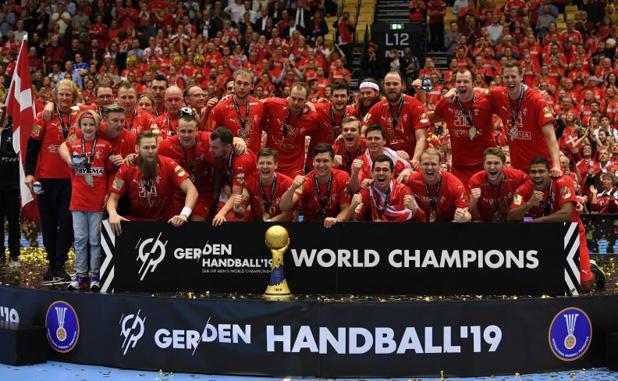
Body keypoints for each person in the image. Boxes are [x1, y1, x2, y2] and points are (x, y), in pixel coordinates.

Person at [508, 157, 593, 291]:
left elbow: (566, 214)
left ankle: (595, 271)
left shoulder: (563, 181)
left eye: (541, 171)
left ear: (549, 173)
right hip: (544, 236)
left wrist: (537, 222)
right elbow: (511, 216)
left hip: (571, 233)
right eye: (533, 172)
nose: (537, 175)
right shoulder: (523, 189)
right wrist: (529, 203)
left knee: (584, 286)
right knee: (543, 285)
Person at [25, 79, 81, 281]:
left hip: (71, 179)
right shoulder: (43, 117)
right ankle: (51, 264)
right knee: (48, 224)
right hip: (46, 180)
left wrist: (50, 102)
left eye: (68, 94)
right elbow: (32, 146)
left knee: (67, 224)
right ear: (55, 96)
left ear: (73, 97)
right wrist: (29, 173)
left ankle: (60, 263)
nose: (65, 98)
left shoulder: (80, 116)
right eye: (61, 94)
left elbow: (95, 106)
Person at [58, 111, 112, 291]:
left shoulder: (105, 146)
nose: (88, 128)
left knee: (95, 240)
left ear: (97, 127)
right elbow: (60, 148)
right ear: (79, 127)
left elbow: (111, 172)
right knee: (80, 240)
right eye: (85, 125)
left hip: (97, 202)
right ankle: (80, 275)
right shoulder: (73, 144)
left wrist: (109, 194)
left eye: (91, 124)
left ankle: (95, 276)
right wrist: (68, 160)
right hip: (78, 201)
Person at [107, 130, 198, 235]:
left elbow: (192, 190)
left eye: (153, 147)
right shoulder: (126, 168)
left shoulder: (169, 164)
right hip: (135, 224)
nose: (150, 151)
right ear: (137, 149)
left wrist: (184, 215)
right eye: (146, 148)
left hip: (166, 224)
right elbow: (113, 198)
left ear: (158, 147)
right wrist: (113, 213)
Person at [425, 69, 496, 186]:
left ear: (474, 84)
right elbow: (431, 118)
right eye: (459, 82)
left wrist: (483, 90)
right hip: (459, 166)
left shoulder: (486, 101)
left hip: (486, 165)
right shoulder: (447, 102)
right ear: (454, 84)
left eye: (466, 81)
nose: (462, 85)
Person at [489, 61, 562, 175]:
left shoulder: (536, 100)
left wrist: (557, 166)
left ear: (521, 77)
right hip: (518, 167)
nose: (510, 80)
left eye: (513, 76)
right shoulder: (498, 94)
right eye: (506, 77)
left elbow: (551, 136)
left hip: (540, 167)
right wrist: (454, 92)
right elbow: (477, 93)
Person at [363, 71, 430, 168]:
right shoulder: (378, 107)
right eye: (388, 84)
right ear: (383, 86)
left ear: (403, 86)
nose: (391, 87)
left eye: (395, 84)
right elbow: (363, 131)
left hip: (413, 159)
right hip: (387, 161)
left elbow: (421, 138)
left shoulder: (415, 105)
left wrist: (415, 160)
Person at [280, 143, 352, 228]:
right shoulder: (306, 181)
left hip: (334, 225)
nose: (321, 165)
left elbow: (346, 208)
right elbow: (283, 207)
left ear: (332, 162)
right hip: (310, 228)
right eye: (318, 161)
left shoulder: (342, 177)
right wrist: (292, 188)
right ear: (313, 162)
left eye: (325, 161)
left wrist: (337, 220)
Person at [261, 82, 322, 178]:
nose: (296, 103)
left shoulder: (312, 118)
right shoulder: (275, 104)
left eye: (300, 100)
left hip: (294, 169)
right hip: (271, 164)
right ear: (288, 96)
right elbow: (255, 104)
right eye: (293, 98)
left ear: (307, 100)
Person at [403, 148, 471, 222]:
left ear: (440, 165)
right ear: (420, 165)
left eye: (433, 164)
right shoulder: (411, 180)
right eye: (426, 164)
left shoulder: (455, 184)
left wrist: (463, 218)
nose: (429, 168)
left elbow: (467, 215)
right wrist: (405, 170)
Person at [351, 154, 424, 222]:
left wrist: (414, 209)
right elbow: (356, 218)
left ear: (392, 173)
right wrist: (353, 207)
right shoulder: (367, 189)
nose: (381, 173)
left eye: (385, 170)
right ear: (372, 173)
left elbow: (422, 219)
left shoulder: (403, 190)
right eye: (378, 170)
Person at [207, 69, 265, 153]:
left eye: (246, 84)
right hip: (229, 159)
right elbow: (210, 136)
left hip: (254, 159)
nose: (242, 87)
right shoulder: (220, 108)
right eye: (239, 83)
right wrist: (231, 140)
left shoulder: (260, 105)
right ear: (234, 84)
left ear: (252, 86)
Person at [210, 127, 257, 226]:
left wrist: (221, 213)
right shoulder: (222, 150)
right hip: (230, 188)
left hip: (247, 195)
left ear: (227, 147)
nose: (210, 150)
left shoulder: (242, 161)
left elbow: (236, 194)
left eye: (214, 147)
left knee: (225, 221)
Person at [468, 147, 527, 222]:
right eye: (489, 163)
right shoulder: (476, 180)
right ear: (484, 165)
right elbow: (474, 216)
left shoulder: (516, 175)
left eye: (496, 163)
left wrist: (519, 194)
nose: (492, 167)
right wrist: (473, 201)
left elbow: (530, 183)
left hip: (511, 219)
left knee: (526, 219)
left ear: (503, 165)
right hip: (486, 221)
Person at [348, 124, 412, 193]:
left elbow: (411, 169)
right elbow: (353, 190)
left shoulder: (396, 156)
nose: (373, 141)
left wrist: (407, 170)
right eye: (370, 139)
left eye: (376, 138)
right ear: (366, 142)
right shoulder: (359, 162)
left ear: (384, 141)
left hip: (395, 196)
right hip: (372, 199)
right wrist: (355, 173)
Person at [240, 147, 294, 221]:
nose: (265, 166)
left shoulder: (287, 183)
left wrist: (269, 222)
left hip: (278, 227)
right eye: (261, 163)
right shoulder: (250, 180)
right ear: (257, 165)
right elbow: (241, 210)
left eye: (269, 163)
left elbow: (288, 214)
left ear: (276, 165)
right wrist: (237, 208)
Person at [0, 110, 20, 266]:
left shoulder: (15, 131)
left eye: (2, 108)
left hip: (13, 185)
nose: (0, 111)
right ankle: (0, 255)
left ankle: (14, 255)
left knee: (14, 222)